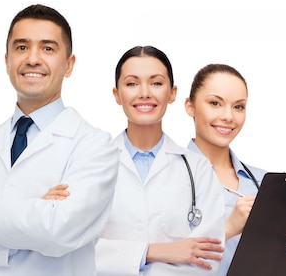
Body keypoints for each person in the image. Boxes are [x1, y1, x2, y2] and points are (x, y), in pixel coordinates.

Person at [0, 4, 119, 276]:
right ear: (7, 61)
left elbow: (57, 230)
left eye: (48, 48)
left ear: (69, 64)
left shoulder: (95, 146)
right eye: (21, 47)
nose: (33, 59)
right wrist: (35, 212)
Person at [184, 63, 286, 275]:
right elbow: (155, 261)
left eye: (238, 106)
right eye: (215, 103)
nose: (228, 116)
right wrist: (228, 228)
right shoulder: (166, 175)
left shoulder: (263, 182)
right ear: (190, 106)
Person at [94, 46, 226, 275]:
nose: (144, 93)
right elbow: (75, 251)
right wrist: (152, 251)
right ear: (117, 94)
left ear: (172, 93)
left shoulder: (198, 169)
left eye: (156, 83)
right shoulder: (91, 163)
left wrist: (121, 258)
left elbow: (208, 258)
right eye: (132, 83)